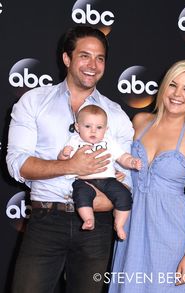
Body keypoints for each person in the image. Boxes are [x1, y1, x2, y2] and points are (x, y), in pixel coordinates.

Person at [6, 25, 134, 293]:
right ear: (67, 58)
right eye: (85, 56)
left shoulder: (116, 115)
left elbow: (127, 181)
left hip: (96, 228)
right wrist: (71, 166)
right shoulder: (33, 101)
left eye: (100, 58)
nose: (93, 65)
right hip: (46, 220)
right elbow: (17, 164)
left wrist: (101, 202)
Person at [108, 59, 185, 293]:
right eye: (173, 85)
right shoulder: (140, 121)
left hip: (171, 237)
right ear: (163, 87)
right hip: (133, 229)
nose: (177, 94)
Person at [58, 104, 141, 239]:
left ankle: (119, 224)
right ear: (78, 127)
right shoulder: (74, 141)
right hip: (83, 180)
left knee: (124, 195)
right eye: (88, 126)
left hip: (107, 179)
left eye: (99, 128)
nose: (93, 131)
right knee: (81, 195)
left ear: (106, 129)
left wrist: (131, 161)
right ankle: (88, 219)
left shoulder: (109, 141)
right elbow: (62, 161)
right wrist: (64, 154)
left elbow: (122, 156)